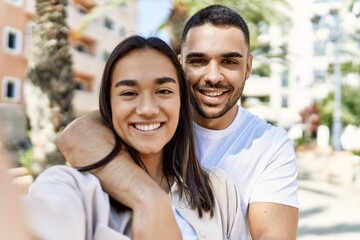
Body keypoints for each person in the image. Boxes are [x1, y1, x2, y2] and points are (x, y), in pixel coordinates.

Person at [58, 4, 299, 239]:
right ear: (180, 66)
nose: (213, 76)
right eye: (198, 61)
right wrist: (151, 201)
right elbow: (75, 135)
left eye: (229, 62)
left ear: (248, 67)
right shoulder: (154, 117)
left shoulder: (268, 146)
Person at [25, 35, 246, 240]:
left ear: (181, 102)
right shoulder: (73, 188)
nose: (148, 109)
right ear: (108, 106)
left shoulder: (217, 188)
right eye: (129, 93)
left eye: (164, 91)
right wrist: (151, 201)